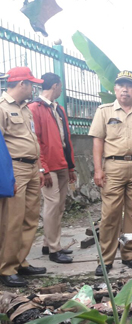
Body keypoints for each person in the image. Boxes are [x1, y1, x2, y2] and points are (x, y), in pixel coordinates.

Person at [89, 70, 132, 276]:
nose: (125, 89)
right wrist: (98, 169)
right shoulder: (104, 111)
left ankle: (129, 254)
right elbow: (97, 142)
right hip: (114, 167)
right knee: (110, 214)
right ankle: (106, 259)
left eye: (129, 86)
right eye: (121, 85)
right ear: (115, 89)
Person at [0, 67, 46, 287]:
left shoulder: (26, 109)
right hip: (15, 169)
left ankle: (21, 262)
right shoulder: (2, 108)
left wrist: (38, 168)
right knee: (13, 220)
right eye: (31, 84)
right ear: (22, 84)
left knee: (30, 218)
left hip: (31, 168)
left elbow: (32, 139)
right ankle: (6, 268)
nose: (33, 88)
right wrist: (7, 177)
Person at [29, 72, 76, 264]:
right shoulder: (35, 108)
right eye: (61, 86)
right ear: (55, 86)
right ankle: (55, 249)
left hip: (62, 163)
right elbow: (36, 141)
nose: (62, 89)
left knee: (59, 205)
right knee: (51, 205)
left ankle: (49, 243)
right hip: (48, 165)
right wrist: (43, 168)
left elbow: (67, 139)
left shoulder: (59, 109)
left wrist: (71, 166)